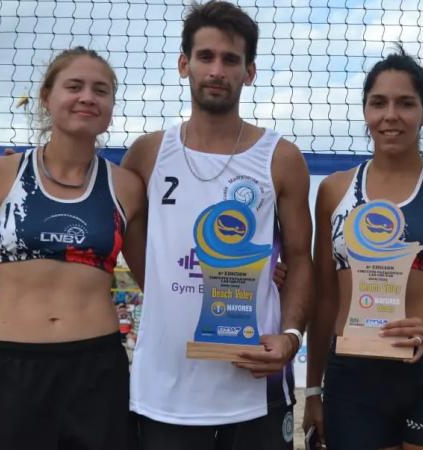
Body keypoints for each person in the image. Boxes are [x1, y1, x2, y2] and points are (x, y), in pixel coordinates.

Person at [121, 1, 313, 449]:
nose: (217, 69)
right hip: (163, 389)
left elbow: (301, 258)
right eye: (205, 56)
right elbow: (120, 229)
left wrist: (289, 337)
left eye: (231, 59)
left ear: (249, 72)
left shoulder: (281, 159)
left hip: (253, 384)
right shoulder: (147, 154)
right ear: (184, 64)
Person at [0, 47, 146, 450]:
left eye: (100, 90)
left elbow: (158, 279)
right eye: (74, 86)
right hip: (9, 370)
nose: (87, 96)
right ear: (47, 98)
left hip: (97, 371)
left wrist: (260, 274)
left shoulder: (127, 187)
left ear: (111, 106)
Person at [303, 48, 423, 450]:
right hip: (353, 375)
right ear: (365, 111)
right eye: (379, 103)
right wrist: (312, 391)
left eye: (406, 103)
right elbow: (324, 298)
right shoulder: (333, 191)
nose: (391, 115)